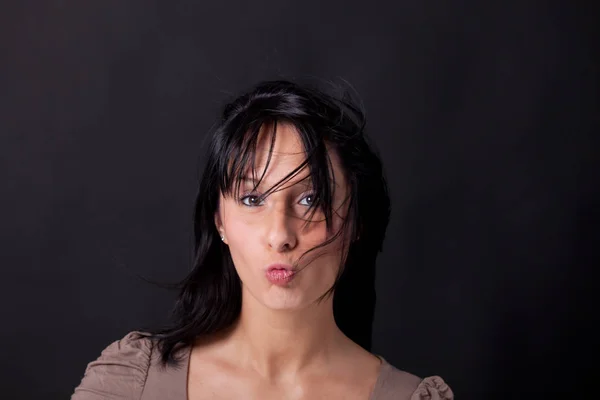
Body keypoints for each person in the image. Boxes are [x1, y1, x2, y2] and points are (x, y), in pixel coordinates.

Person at [71, 80, 453, 399]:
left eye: (310, 199)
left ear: (356, 222)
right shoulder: (129, 384)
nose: (280, 235)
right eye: (253, 199)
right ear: (219, 220)